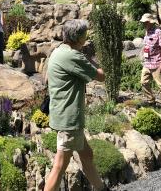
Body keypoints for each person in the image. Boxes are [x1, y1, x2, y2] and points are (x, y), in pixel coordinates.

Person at [44, 19, 107, 191]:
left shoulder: (59, 51)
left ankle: (101, 188)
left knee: (87, 155)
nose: (86, 38)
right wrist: (90, 58)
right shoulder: (73, 56)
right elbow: (101, 76)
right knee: (60, 165)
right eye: (85, 35)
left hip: (63, 114)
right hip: (69, 119)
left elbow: (47, 78)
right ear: (79, 38)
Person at [139, 13, 161, 105]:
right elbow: (145, 46)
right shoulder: (146, 31)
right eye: (143, 22)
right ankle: (151, 100)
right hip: (147, 63)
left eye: (145, 22)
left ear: (150, 22)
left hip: (156, 63)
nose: (143, 24)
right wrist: (142, 56)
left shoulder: (158, 32)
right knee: (143, 82)